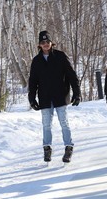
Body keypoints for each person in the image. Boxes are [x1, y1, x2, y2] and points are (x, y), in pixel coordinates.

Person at [28, 30, 81, 163]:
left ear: (52, 43)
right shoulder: (36, 60)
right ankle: (47, 148)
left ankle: (68, 147)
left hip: (60, 95)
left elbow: (72, 75)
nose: (45, 44)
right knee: (46, 124)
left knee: (64, 123)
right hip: (45, 97)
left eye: (47, 42)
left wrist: (77, 93)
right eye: (42, 42)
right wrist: (32, 98)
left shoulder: (60, 56)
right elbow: (33, 81)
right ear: (39, 45)